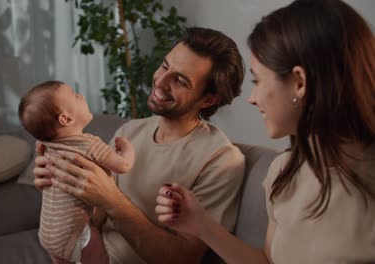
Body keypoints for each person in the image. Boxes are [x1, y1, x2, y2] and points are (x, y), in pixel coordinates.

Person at [156, 0, 375, 263]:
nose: (252, 98)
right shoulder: (284, 172)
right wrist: (200, 223)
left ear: (299, 82)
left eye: (258, 81)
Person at [33, 27, 246, 263]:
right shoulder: (131, 131)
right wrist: (63, 187)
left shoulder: (221, 160)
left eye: (180, 80)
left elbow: (183, 258)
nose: (160, 82)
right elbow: (94, 221)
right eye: (165, 66)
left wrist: (112, 200)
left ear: (209, 99)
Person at [18, 80, 135, 264]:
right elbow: (123, 166)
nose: (81, 96)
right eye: (74, 95)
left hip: (47, 233)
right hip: (75, 233)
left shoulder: (47, 147)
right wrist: (128, 148)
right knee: (99, 258)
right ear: (66, 119)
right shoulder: (88, 144)